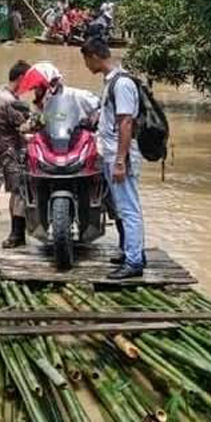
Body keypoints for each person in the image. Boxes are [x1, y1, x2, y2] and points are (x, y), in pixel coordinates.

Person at [82, 36, 145, 280]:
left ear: (95, 56)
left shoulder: (122, 84)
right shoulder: (112, 82)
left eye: (86, 59)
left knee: (128, 209)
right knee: (123, 206)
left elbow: (126, 122)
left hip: (121, 155)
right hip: (111, 152)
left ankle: (134, 262)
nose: (86, 65)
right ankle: (133, 252)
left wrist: (120, 160)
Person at [0, 62, 34, 248]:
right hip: (10, 149)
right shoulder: (8, 100)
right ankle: (16, 234)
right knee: (18, 190)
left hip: (9, 147)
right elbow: (25, 125)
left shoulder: (5, 95)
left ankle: (18, 232)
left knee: (17, 190)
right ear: (20, 78)